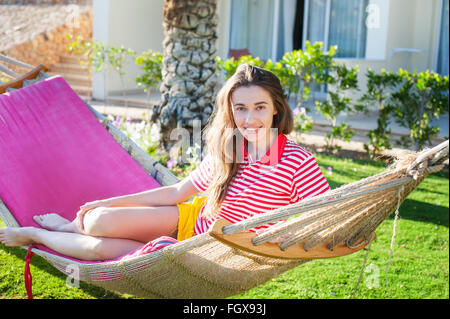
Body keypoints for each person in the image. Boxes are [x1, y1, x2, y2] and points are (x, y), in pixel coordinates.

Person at [0, 64, 330, 261]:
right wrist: (104, 202)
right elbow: (174, 192)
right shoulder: (232, 148)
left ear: (276, 108)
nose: (249, 118)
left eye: (259, 107)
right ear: (231, 111)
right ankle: (72, 226)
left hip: (211, 249)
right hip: (189, 221)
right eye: (240, 108)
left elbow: (323, 217)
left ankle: (36, 235)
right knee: (98, 219)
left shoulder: (296, 161)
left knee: (100, 251)